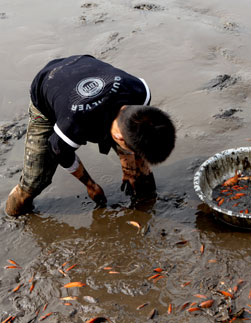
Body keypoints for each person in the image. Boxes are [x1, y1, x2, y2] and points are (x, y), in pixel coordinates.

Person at [5, 55, 176, 217]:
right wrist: (90, 185)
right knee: (33, 183)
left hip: (84, 66)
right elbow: (59, 150)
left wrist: (129, 164)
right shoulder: (74, 124)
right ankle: (13, 215)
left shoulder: (139, 90)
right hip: (48, 87)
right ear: (119, 138)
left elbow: (141, 130)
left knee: (139, 168)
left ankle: (144, 203)